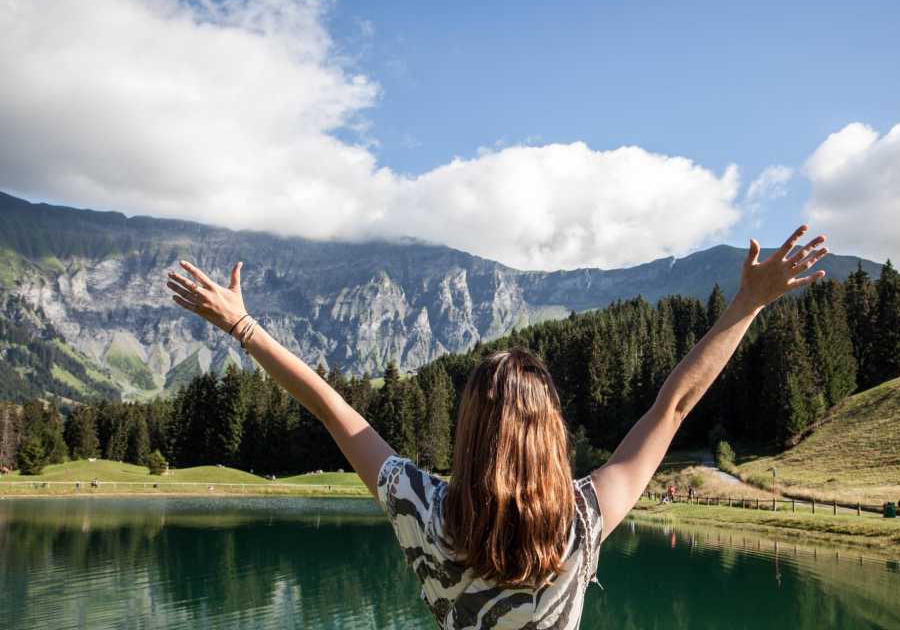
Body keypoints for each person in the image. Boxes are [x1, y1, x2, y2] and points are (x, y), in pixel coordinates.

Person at [167, 225, 827, 629]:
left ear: (468, 431)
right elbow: (674, 408)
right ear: (551, 436)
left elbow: (334, 411)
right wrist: (748, 303)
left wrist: (243, 327)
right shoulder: (582, 520)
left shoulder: (424, 511)